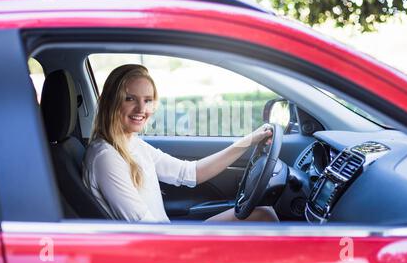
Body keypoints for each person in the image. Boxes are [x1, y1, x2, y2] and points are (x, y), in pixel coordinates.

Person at [83, 64, 279, 223]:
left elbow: (190, 173)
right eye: (129, 98)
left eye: (148, 100)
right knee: (264, 217)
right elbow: (143, 230)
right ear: (109, 101)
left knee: (264, 214)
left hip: (164, 238)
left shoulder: (132, 143)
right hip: (160, 252)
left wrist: (250, 140)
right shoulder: (106, 157)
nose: (141, 108)